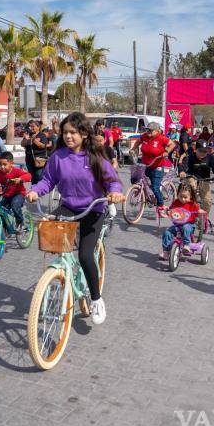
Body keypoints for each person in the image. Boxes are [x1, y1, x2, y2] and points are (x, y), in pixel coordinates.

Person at [27, 112, 124, 325]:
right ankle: (56, 277)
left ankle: (96, 299)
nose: (68, 136)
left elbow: (113, 182)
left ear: (84, 133)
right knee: (53, 243)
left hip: (94, 209)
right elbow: (47, 182)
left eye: (73, 132)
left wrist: (115, 192)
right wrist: (35, 191)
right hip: (69, 207)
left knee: (85, 255)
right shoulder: (58, 157)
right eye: (65, 132)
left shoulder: (96, 157)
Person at [133, 122, 174, 216]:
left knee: (155, 187)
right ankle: (145, 195)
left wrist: (166, 151)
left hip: (157, 166)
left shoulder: (161, 138)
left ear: (157, 131)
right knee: (137, 179)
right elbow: (138, 141)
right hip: (145, 164)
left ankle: (161, 206)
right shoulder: (144, 136)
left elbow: (172, 144)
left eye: (151, 130)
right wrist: (133, 148)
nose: (148, 131)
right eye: (147, 129)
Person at [0, 151, 31, 229]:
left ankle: (20, 221)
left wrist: (20, 179)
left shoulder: (16, 171)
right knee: (1, 209)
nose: (2, 167)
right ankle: (6, 227)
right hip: (6, 195)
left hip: (18, 194)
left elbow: (28, 175)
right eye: (0, 164)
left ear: (11, 163)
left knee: (15, 204)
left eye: (4, 164)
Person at [160, 183, 203, 258]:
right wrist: (166, 210)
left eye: (185, 197)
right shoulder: (176, 202)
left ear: (191, 196)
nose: (183, 199)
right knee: (167, 233)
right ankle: (165, 251)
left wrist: (199, 212)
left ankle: (186, 245)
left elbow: (198, 213)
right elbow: (170, 210)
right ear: (178, 194)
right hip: (177, 225)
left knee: (185, 227)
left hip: (189, 225)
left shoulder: (193, 204)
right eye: (181, 196)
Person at [179, 140, 214, 214]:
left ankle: (204, 217)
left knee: (207, 201)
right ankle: (189, 204)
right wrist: (182, 171)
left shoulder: (210, 157)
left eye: (205, 151)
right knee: (191, 184)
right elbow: (184, 165)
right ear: (195, 150)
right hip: (192, 177)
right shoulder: (190, 156)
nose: (202, 153)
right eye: (200, 151)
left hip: (205, 180)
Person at [21, 120, 52, 184]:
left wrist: (33, 139)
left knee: (38, 176)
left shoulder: (42, 135)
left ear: (38, 127)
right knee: (32, 177)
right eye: (30, 126)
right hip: (29, 160)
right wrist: (25, 139)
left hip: (39, 160)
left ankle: (40, 190)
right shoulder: (28, 135)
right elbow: (22, 144)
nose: (31, 128)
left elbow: (42, 146)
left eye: (33, 126)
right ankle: (34, 191)